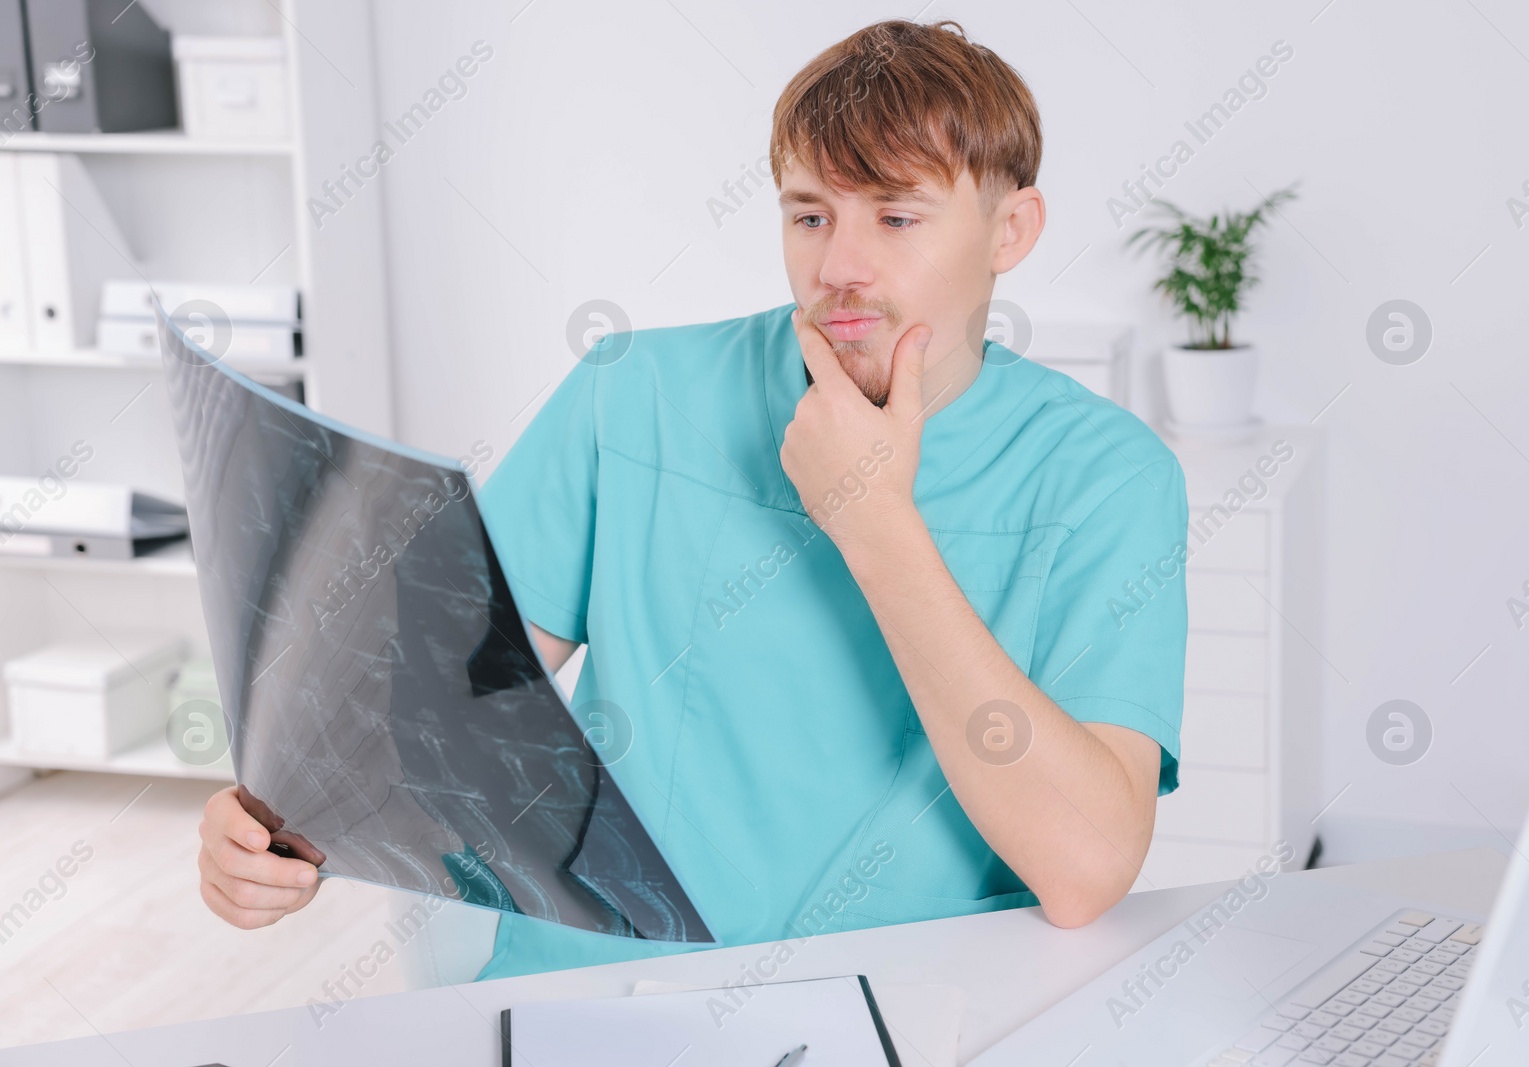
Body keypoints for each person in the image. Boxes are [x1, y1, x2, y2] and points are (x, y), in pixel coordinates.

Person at [196, 17, 1189, 981]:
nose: (838, 267)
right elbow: (426, 715)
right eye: (809, 215)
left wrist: (876, 523)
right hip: (603, 993)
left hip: (917, 1004)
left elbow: (1084, 868)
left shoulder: (1107, 477)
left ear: (1010, 230)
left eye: (895, 215)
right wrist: (276, 824)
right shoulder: (633, 393)